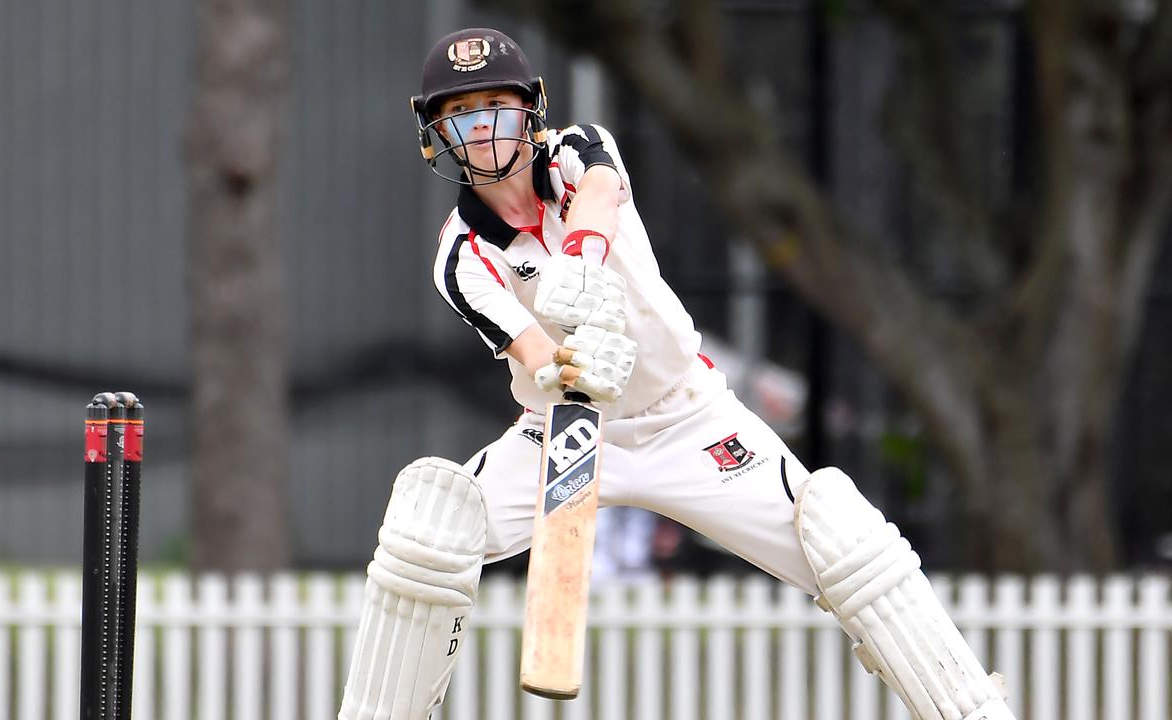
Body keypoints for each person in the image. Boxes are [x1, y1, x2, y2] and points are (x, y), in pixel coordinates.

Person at [337, 27, 1016, 720]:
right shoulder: (459, 255)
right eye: (462, 116)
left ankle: (969, 709)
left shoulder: (576, 153)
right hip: (561, 435)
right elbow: (532, 354)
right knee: (431, 529)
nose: (484, 132)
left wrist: (583, 261)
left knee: (843, 537)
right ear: (438, 135)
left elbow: (601, 191)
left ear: (529, 112)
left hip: (685, 416)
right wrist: (564, 365)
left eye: (497, 109)